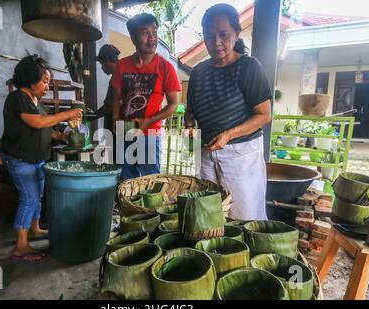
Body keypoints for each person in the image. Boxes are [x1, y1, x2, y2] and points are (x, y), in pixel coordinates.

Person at [184, 4, 272, 221]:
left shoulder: (249, 67)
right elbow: (191, 110)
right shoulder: (198, 73)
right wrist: (188, 131)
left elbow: (264, 115)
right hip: (205, 154)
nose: (216, 42)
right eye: (209, 35)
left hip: (241, 156)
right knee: (208, 215)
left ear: (236, 33)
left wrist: (229, 134)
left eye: (223, 34)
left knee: (244, 216)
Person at [0, 55, 82, 262]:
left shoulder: (35, 101)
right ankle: (21, 246)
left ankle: (35, 229)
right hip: (20, 159)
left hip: (35, 159)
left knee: (37, 196)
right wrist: (67, 114)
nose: (47, 86)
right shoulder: (17, 98)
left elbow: (44, 128)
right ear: (30, 79)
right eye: (44, 81)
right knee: (28, 198)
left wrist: (61, 135)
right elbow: (37, 122)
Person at [112, 13, 181, 180]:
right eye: (145, 33)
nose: (152, 38)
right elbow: (116, 97)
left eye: (155, 32)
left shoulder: (166, 67)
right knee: (126, 180)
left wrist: (148, 121)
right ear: (133, 38)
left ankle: (148, 208)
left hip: (150, 134)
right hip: (126, 132)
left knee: (150, 182)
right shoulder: (122, 65)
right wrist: (115, 119)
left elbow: (173, 104)